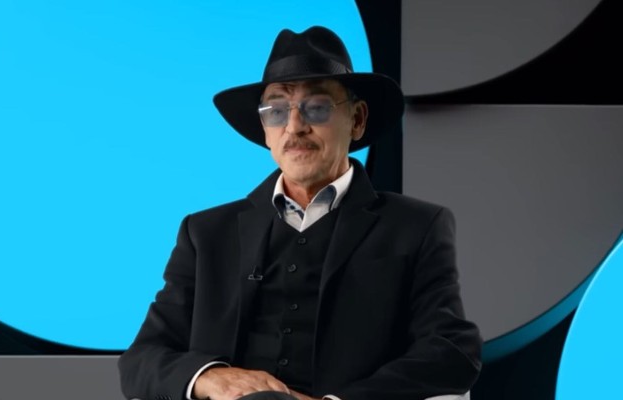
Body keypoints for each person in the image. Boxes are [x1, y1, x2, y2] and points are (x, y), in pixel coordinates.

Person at [118, 26, 482, 400]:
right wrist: (211, 378)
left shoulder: (416, 227)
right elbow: (141, 360)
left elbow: (451, 351)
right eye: (277, 111)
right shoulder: (206, 232)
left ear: (357, 120)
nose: (294, 127)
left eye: (317, 107)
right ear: (265, 129)